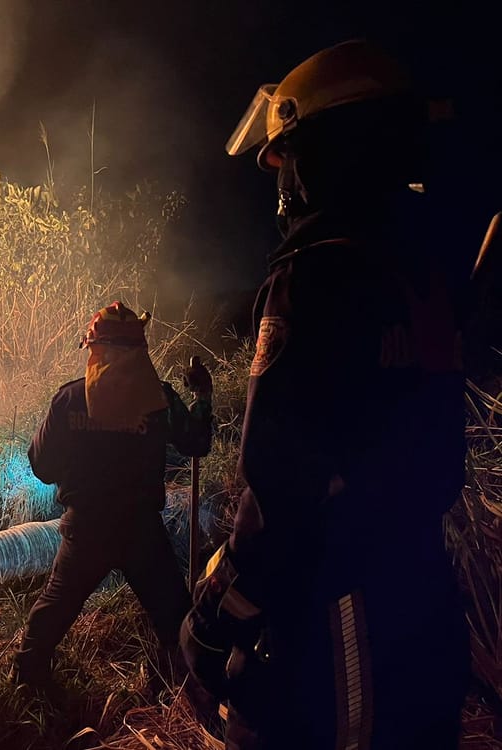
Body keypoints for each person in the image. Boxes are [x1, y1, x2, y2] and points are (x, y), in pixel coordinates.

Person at [180, 40, 471, 748]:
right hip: (423, 599)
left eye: (288, 159)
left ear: (326, 153)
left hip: (339, 619)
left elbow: (279, 485)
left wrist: (212, 621)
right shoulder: (421, 273)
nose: (283, 184)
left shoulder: (313, 279)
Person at [12, 301, 213, 699]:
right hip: (141, 531)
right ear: (140, 351)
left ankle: (27, 685)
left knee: (55, 608)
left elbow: (42, 468)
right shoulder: (160, 400)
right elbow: (197, 442)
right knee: (175, 617)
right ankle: (183, 692)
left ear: (94, 348)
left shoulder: (70, 400)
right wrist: (203, 395)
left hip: (86, 529)